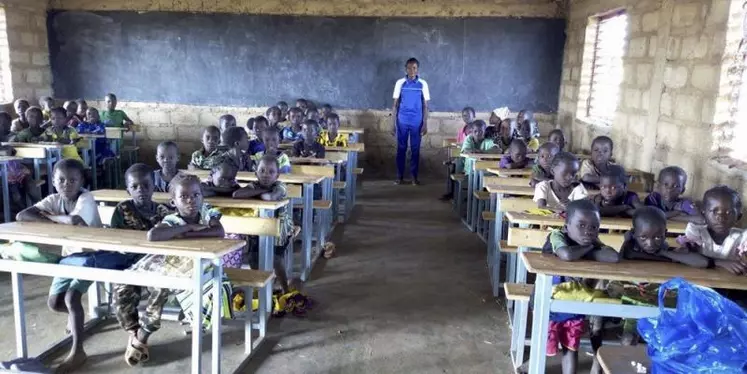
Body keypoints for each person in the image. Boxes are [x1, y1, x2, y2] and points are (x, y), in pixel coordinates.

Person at [16, 159, 102, 373]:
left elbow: (75, 222)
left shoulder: (86, 198)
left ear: (82, 181)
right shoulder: (55, 199)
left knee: (71, 298)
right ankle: (76, 322)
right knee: (54, 303)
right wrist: (54, 220)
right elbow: (22, 215)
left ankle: (77, 351)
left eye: (73, 180)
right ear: (53, 182)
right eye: (61, 180)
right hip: (69, 257)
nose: (67, 184)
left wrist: (49, 217)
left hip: (92, 256)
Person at [612, 206, 712, 345]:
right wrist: (669, 256)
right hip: (636, 303)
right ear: (634, 234)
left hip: (665, 307)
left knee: (665, 341)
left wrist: (664, 253)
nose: (651, 243)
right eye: (643, 237)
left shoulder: (668, 251)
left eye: (658, 237)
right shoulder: (630, 250)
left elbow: (703, 262)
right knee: (628, 340)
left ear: (666, 233)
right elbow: (627, 254)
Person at [541, 199, 619, 374]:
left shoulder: (590, 241)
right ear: (566, 225)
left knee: (571, 345)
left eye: (593, 227)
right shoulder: (556, 235)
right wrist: (591, 247)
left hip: (575, 301)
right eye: (581, 225)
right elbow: (567, 254)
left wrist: (588, 246)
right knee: (546, 341)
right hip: (549, 298)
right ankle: (529, 367)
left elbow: (613, 257)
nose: (588, 231)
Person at [109, 164, 172, 366]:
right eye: (134, 186)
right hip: (129, 263)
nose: (141, 190)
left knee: (160, 290)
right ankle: (134, 333)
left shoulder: (164, 212)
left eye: (146, 185)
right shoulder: (122, 210)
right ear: (127, 189)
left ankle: (142, 336)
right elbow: (115, 240)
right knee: (121, 295)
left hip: (156, 265)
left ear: (154, 186)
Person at [235, 155, 294, 294]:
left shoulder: (280, 186)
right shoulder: (254, 185)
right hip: (258, 229)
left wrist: (257, 193)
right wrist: (261, 190)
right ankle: (260, 287)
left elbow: (270, 197)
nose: (266, 175)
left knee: (276, 259)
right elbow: (238, 194)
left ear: (277, 175)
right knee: (253, 258)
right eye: (262, 171)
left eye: (271, 172)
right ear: (255, 173)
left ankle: (285, 289)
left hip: (280, 230)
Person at [678, 185, 747, 274]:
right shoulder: (696, 232)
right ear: (704, 212)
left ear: (738, 217)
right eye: (714, 211)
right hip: (697, 281)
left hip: (731, 284)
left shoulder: (743, 238)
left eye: (728, 212)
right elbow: (688, 256)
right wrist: (721, 262)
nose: (721, 218)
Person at [392, 57, 430, 185]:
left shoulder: (423, 84)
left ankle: (414, 177)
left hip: (416, 122)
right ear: (405, 69)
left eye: (414, 68)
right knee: (401, 149)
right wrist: (392, 124)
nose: (411, 70)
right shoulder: (400, 83)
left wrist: (425, 123)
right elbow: (395, 105)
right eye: (409, 68)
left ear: (417, 69)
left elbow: (425, 105)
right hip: (402, 121)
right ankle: (399, 176)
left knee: (415, 150)